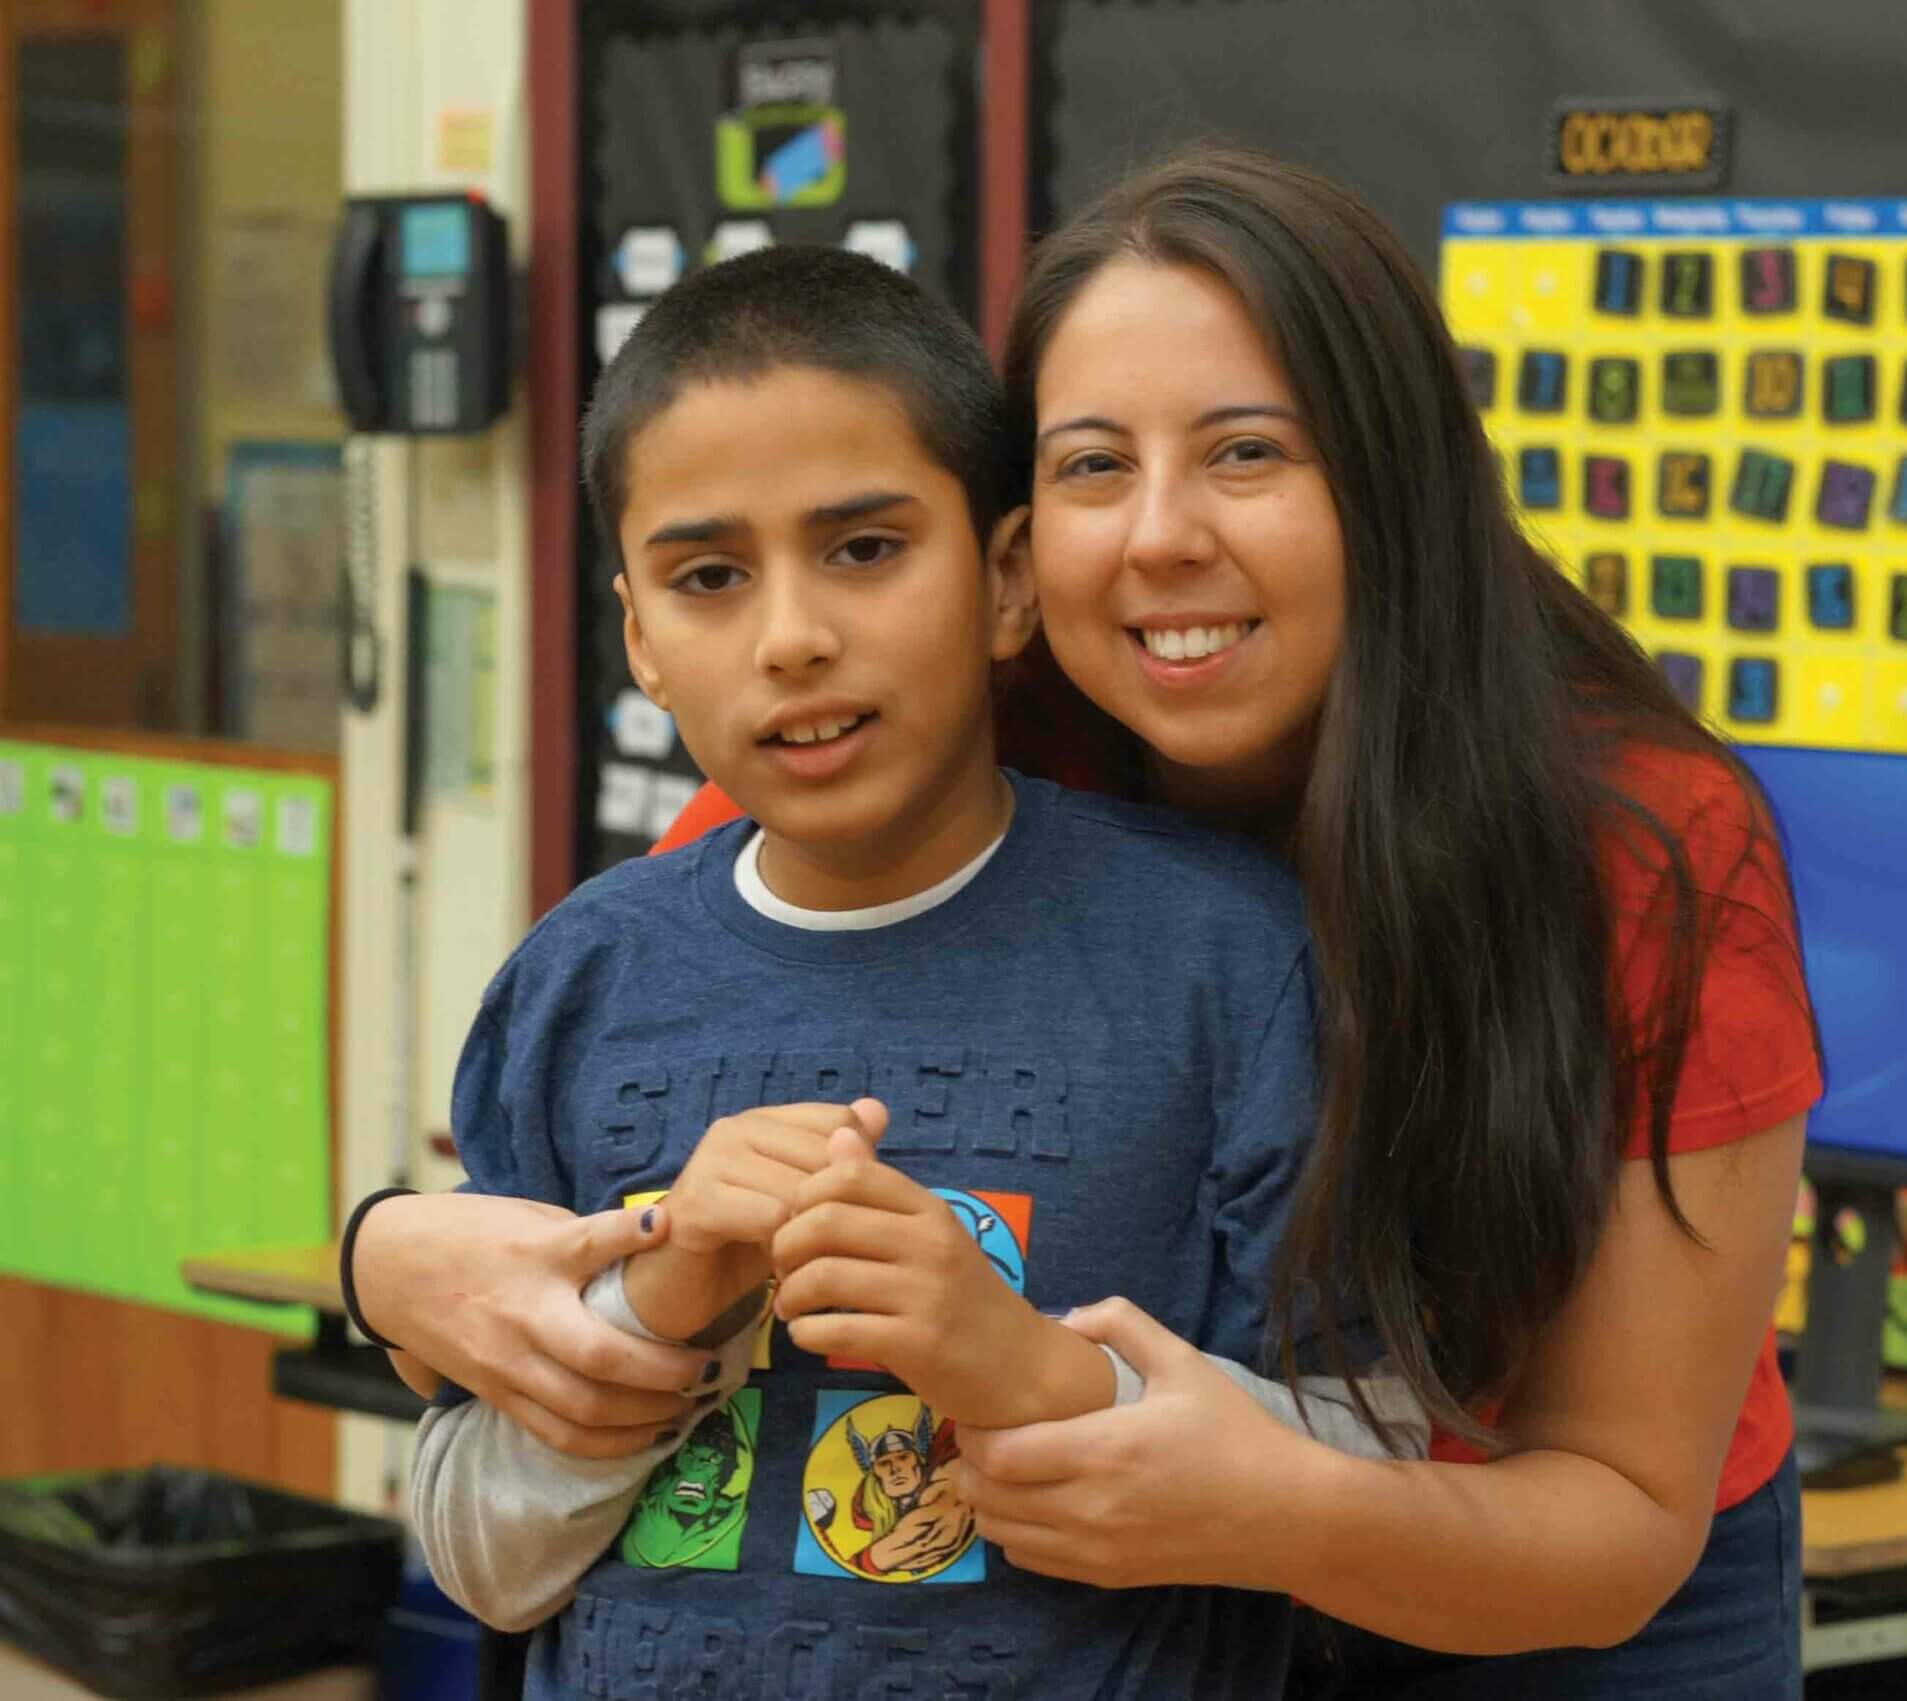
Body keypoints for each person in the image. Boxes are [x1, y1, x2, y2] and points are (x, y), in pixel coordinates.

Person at [353, 147, 1818, 1696]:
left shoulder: (1640, 845)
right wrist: (386, 1257)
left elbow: (1622, 1514)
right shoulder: (928, 736)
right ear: (1016, 541)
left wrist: (1178, 1460)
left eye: (1248, 453)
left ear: (1393, 477)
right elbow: (587, 1194)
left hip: (1563, 1591)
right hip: (1138, 1579)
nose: (1159, 537)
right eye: (1092, 465)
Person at [401, 243, 1332, 1701]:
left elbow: (1372, 1466)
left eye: (865, 548)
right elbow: (480, 1555)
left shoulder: (1227, 960)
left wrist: (1033, 1371)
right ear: (640, 639)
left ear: (1009, 580)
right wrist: (663, 1303)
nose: (794, 638)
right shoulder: (579, 978)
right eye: (708, 577)